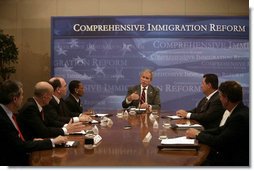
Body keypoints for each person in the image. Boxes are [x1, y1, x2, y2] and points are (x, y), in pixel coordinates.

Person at [0, 80, 67, 166]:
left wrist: (32, 141)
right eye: (22, 95)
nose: (23, 98)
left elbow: (15, 141)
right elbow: (19, 147)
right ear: (15, 99)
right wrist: (52, 141)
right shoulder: (3, 119)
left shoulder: (8, 114)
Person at [185, 81, 249, 166]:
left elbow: (219, 141)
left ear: (226, 98)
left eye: (220, 96)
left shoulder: (239, 117)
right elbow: (220, 129)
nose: (220, 99)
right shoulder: (240, 110)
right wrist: (198, 132)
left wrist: (198, 135)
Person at [17, 81, 86, 141]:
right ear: (44, 97)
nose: (51, 98)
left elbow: (49, 122)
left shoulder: (38, 105)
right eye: (51, 95)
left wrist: (66, 127)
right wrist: (65, 129)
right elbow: (43, 131)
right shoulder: (31, 108)